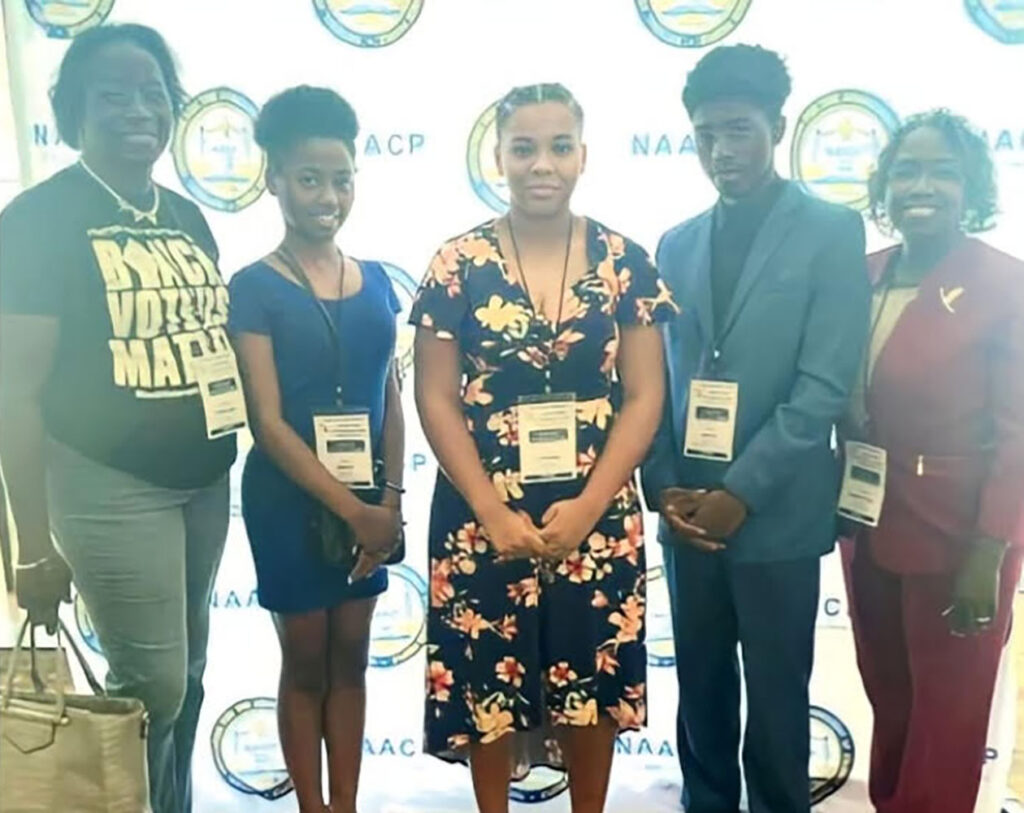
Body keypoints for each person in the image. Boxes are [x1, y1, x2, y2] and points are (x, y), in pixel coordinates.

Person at [411, 83, 676, 813]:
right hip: (480, 512)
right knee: (486, 682)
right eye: (523, 148)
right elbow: (434, 397)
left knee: (591, 677)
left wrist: (590, 505)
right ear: (497, 157)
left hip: (597, 509)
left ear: (583, 156)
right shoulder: (457, 262)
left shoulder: (625, 261)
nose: (542, 164)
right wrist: (491, 510)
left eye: (559, 147)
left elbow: (645, 396)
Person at [0, 24, 238, 813]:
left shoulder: (187, 216)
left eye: (153, 93)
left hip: (204, 478)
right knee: (152, 684)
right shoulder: (36, 220)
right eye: (114, 95)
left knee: (188, 677)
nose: (139, 109)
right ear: (75, 110)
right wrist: (33, 545)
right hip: (107, 480)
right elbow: (14, 392)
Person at [640, 45, 870, 813]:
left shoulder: (832, 231)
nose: (721, 151)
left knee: (776, 697)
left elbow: (823, 385)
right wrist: (664, 486)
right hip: (689, 515)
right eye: (705, 134)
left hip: (777, 512)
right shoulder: (675, 243)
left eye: (738, 130)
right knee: (700, 689)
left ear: (778, 126)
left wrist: (740, 492)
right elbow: (657, 379)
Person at [839, 110, 1024, 813]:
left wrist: (990, 550)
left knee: (946, 721)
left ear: (970, 186)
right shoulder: (863, 274)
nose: (921, 186)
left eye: (942, 172)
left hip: (961, 538)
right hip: (867, 524)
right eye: (906, 171)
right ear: (883, 186)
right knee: (891, 700)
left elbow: (1018, 433)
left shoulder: (1005, 283)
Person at [228, 86, 404, 813]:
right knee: (305, 662)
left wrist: (387, 502)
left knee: (352, 660)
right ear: (274, 179)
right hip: (287, 499)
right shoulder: (253, 287)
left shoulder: (379, 281)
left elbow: (390, 395)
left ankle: (347, 804)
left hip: (369, 498)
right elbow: (267, 423)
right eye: (309, 179)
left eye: (341, 179)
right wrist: (354, 512)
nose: (328, 197)